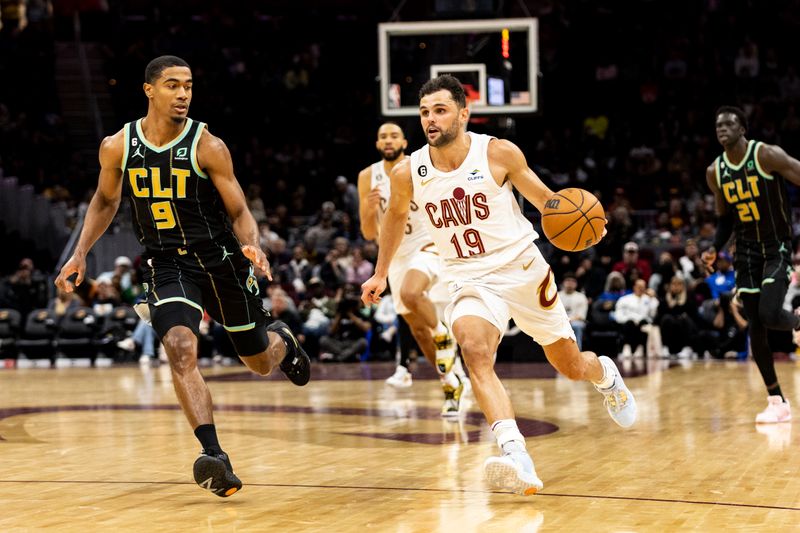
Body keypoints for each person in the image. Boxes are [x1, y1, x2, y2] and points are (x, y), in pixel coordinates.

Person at [361, 75, 636, 496]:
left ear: (463, 113)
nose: (430, 120)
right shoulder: (408, 171)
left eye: (440, 110)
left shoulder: (498, 152)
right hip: (467, 276)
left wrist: (591, 226)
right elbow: (395, 219)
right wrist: (381, 272)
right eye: (424, 112)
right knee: (474, 351)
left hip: (521, 268)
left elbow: (549, 202)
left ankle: (605, 375)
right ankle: (515, 454)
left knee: (570, 365)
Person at [54, 55, 310, 498]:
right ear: (149, 90)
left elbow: (240, 210)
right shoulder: (117, 145)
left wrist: (254, 247)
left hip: (221, 260)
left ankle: (281, 340)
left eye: (188, 85)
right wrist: (80, 254)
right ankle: (214, 455)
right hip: (168, 263)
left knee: (258, 362)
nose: (183, 94)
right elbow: (103, 202)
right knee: (178, 346)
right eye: (173, 85)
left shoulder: (208, 145)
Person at [357, 121, 465, 416]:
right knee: (417, 330)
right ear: (378, 144)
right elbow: (369, 232)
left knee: (412, 293)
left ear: (404, 141)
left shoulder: (418, 165)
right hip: (395, 255)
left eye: (394, 135)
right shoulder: (367, 176)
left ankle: (442, 332)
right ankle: (450, 381)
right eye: (383, 136)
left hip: (426, 243)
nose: (388, 140)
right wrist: (370, 206)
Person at [702, 105, 800, 423]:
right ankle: (777, 402)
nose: (722, 128)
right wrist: (714, 249)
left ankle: (796, 322)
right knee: (755, 326)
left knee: (769, 313)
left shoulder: (766, 155)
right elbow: (723, 219)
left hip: (777, 246)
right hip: (744, 250)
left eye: (729, 123)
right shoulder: (715, 172)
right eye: (718, 125)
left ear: (743, 128)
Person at [558, 272, 588, 350]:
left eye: (573, 281)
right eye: (568, 280)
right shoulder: (556, 296)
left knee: (576, 326)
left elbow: (581, 316)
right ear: (563, 283)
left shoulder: (581, 297)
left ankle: (577, 352)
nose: (570, 283)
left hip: (576, 321)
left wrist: (569, 320)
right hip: (559, 321)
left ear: (576, 284)